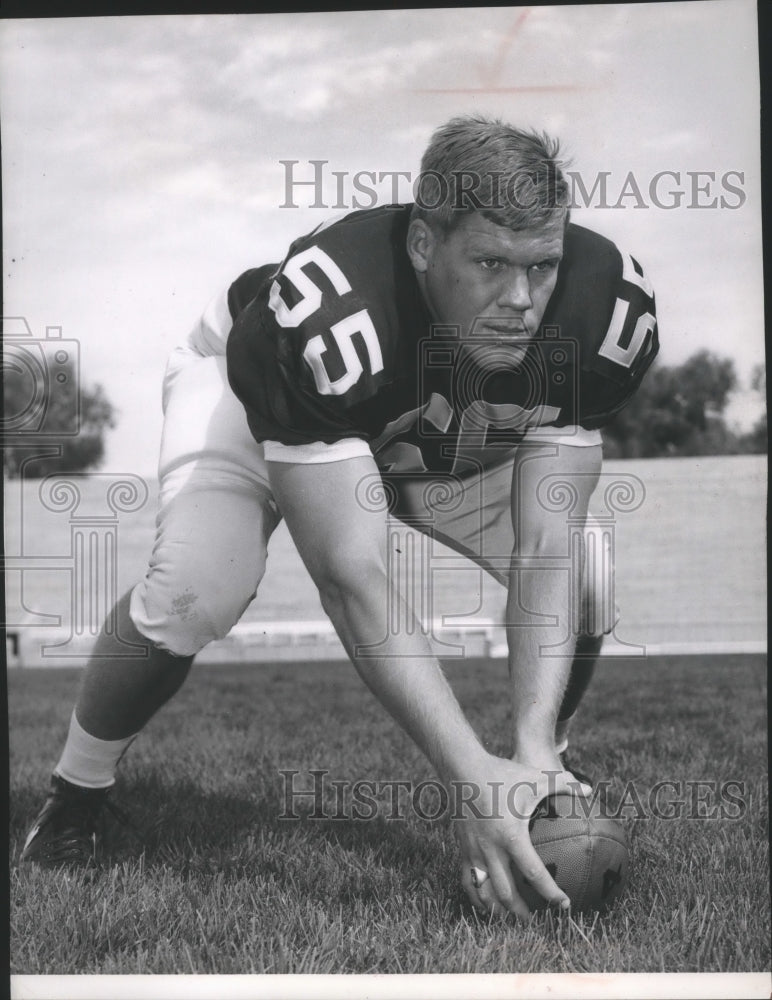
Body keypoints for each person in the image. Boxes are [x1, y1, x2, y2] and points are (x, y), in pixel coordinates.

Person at [21, 115, 658, 920]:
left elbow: (546, 543)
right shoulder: (329, 313)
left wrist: (524, 751)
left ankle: (546, 768)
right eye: (491, 264)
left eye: (542, 265)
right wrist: (466, 776)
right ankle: (75, 795)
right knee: (195, 590)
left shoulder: (599, 307)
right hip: (260, 389)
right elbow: (349, 574)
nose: (522, 300)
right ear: (424, 244)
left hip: (427, 423)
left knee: (588, 578)